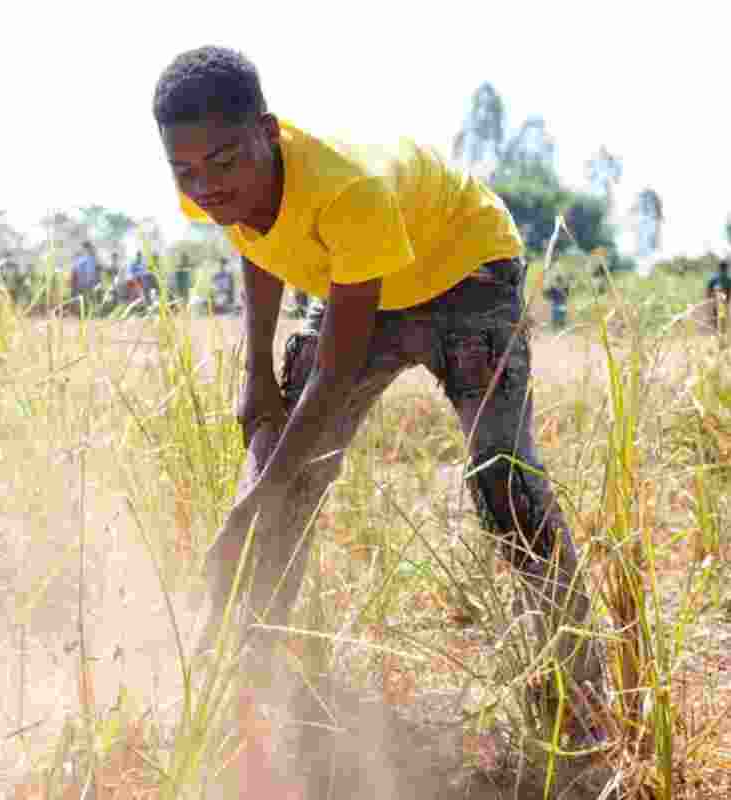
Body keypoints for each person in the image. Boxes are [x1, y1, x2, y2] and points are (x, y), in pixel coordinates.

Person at [156, 46, 600, 739]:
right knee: (280, 463)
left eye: (223, 161)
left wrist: (251, 506)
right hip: (356, 279)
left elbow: (336, 373)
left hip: (463, 270)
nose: (207, 185)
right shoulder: (209, 180)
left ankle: (581, 687)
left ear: (267, 133)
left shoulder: (348, 192)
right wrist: (256, 377)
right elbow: (256, 240)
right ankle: (241, 689)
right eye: (185, 169)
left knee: (501, 479)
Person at [70, 241, 101, 313]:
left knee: (84, 299)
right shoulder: (86, 259)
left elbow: (90, 271)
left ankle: (84, 312)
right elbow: (77, 271)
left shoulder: (87, 258)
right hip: (83, 283)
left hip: (83, 283)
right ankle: (84, 312)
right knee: (85, 299)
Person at [706, 258, 731, 337]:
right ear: (726, 268)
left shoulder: (714, 277)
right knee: (722, 319)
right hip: (722, 302)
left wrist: (709, 300)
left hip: (716, 302)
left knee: (716, 319)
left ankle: (718, 334)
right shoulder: (727, 278)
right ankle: (721, 334)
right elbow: (729, 291)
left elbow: (708, 290)